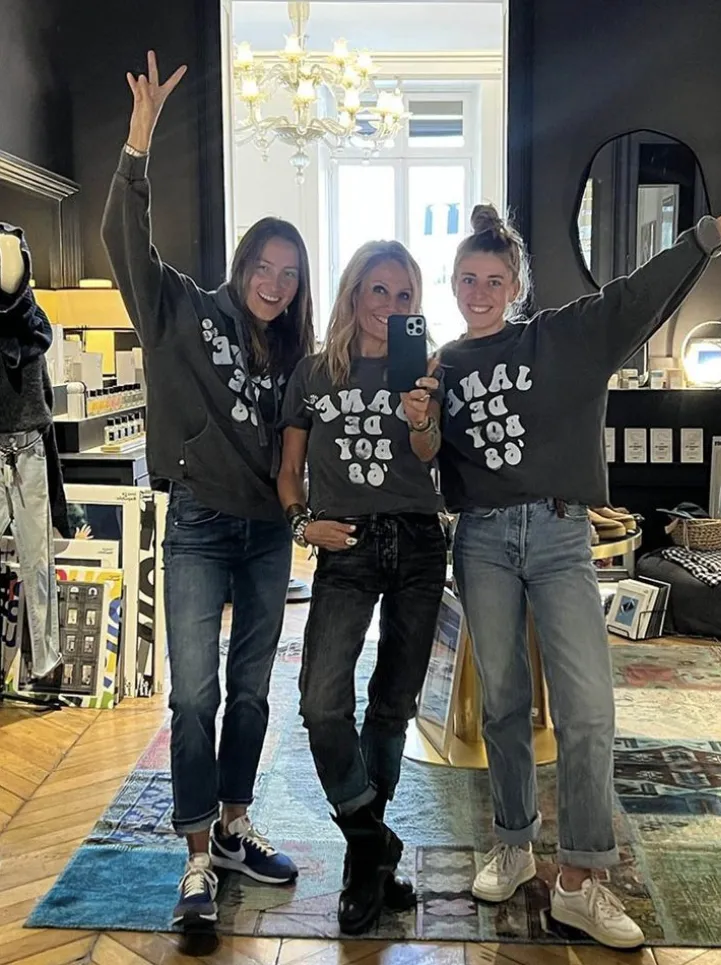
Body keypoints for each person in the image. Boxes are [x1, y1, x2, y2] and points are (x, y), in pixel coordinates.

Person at [437, 165, 721, 949]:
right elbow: (424, 458)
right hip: (481, 538)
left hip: (560, 535)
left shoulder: (563, 337)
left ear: (517, 285)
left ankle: (580, 877)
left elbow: (638, 292)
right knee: (503, 703)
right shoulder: (443, 364)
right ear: (453, 284)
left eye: (494, 280)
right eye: (467, 279)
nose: (479, 292)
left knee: (588, 708)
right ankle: (515, 842)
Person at [101, 52, 314, 929]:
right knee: (194, 694)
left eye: (289, 273)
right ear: (242, 262)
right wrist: (138, 144)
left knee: (253, 690)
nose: (274, 282)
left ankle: (232, 827)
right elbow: (125, 240)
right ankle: (195, 859)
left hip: (267, 534)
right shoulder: (180, 310)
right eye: (264, 265)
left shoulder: (297, 355)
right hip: (196, 523)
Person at [278, 240, 447, 934]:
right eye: (379, 290)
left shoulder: (428, 368)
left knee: (392, 705)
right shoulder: (315, 373)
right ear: (354, 293)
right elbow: (288, 470)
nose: (391, 305)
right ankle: (371, 836)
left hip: (417, 541)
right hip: (344, 544)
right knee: (321, 702)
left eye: (404, 295)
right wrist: (302, 524)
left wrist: (421, 416)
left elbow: (431, 455)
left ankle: (362, 864)